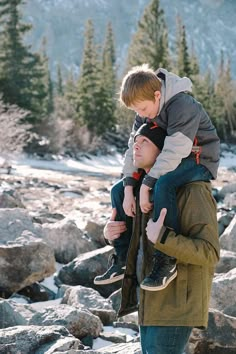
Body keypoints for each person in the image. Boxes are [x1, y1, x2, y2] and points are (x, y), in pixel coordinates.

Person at [94, 64, 220, 291]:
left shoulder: (182, 105)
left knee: (164, 184)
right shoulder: (145, 110)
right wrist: (130, 187)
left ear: (157, 95)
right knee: (118, 190)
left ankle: (166, 261)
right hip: (173, 158)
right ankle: (122, 256)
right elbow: (132, 149)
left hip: (199, 158)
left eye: (142, 108)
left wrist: (147, 185)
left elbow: (175, 150)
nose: (141, 115)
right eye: (136, 111)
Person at [103, 124, 220, 354]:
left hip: (175, 307)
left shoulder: (192, 190)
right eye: (135, 140)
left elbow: (210, 252)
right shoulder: (140, 191)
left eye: (145, 141)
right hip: (148, 303)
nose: (136, 145)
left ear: (165, 151)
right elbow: (138, 248)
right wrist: (110, 235)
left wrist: (164, 237)